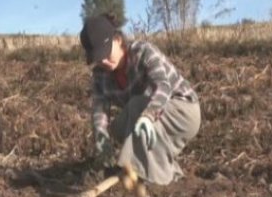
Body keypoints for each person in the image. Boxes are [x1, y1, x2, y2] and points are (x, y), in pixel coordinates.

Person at [79, 14, 201, 186]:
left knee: (137, 106)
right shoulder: (100, 74)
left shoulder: (143, 52)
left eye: (106, 54)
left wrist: (149, 115)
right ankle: (167, 170)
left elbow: (163, 86)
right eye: (98, 58)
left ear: (118, 40)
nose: (104, 61)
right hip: (151, 113)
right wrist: (101, 136)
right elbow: (100, 108)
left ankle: (144, 177)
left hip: (183, 111)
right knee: (119, 128)